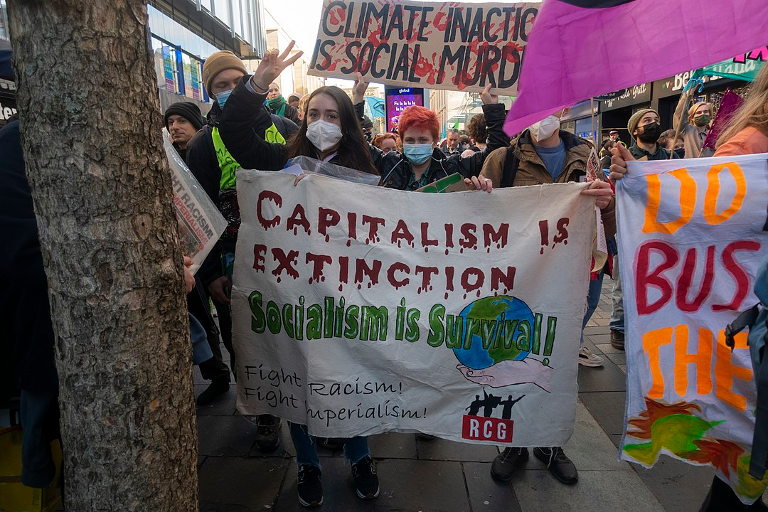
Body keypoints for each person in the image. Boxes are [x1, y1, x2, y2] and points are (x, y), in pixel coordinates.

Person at [214, 45, 381, 508]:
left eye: (331, 114)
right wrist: (257, 83)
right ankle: (307, 462)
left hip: (347, 300)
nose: (321, 121)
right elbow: (231, 132)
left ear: (346, 123)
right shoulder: (278, 160)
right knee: (297, 380)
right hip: (290, 298)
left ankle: (360, 455)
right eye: (314, 113)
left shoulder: (368, 173)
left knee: (350, 379)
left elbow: (411, 222)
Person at [609, 63, 768, 512]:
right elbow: (699, 213)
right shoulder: (751, 148)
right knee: (742, 478)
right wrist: (643, 185)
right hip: (755, 329)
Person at [467, 110, 615, 486]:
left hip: (573, 275)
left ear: (564, 109)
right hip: (520, 276)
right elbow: (481, 218)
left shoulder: (587, 154)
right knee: (514, 355)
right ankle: (515, 441)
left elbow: (609, 221)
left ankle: (549, 442)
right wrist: (479, 195)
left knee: (558, 360)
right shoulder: (504, 159)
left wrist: (606, 203)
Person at [186, 48, 297, 452]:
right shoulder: (202, 145)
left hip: (290, 258)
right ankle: (263, 412)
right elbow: (198, 212)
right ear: (210, 93)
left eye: (237, 82)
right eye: (222, 86)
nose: (232, 90)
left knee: (291, 334)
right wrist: (212, 269)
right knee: (244, 340)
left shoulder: (286, 129)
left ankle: (302, 402)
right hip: (234, 261)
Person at [378, 90, 507, 191]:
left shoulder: (453, 167)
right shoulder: (389, 163)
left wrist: (492, 109)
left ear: (435, 141)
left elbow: (497, 154)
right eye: (410, 140)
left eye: (423, 140)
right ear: (401, 141)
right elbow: (359, 150)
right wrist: (358, 100)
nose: (416, 145)